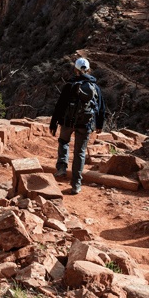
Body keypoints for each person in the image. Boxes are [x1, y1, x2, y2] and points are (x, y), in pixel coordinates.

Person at [49, 57, 105, 195]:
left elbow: (60, 105)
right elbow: (100, 107)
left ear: (75, 69)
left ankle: (62, 166)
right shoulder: (95, 87)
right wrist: (99, 124)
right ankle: (76, 185)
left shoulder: (70, 85)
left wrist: (54, 123)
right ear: (89, 69)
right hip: (85, 124)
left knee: (63, 142)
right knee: (80, 153)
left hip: (67, 122)